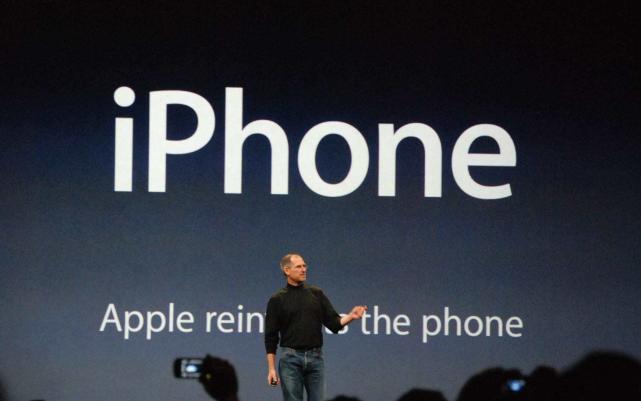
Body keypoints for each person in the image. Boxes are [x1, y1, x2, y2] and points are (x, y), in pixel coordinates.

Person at [264, 253, 367, 401]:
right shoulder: (277, 299)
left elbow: (334, 324)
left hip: (316, 359)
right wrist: (271, 369)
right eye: (298, 267)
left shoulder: (316, 294)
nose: (303, 269)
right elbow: (271, 337)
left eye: (304, 266)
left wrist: (351, 316)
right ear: (287, 270)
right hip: (290, 360)